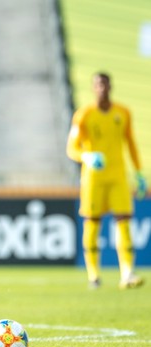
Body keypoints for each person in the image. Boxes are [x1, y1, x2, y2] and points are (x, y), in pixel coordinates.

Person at [66, 72, 146, 290]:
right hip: (93, 178)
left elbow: (131, 143)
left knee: (124, 221)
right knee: (92, 223)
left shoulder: (123, 113)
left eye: (105, 84)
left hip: (118, 175)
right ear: (93, 88)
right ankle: (93, 275)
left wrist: (139, 173)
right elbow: (71, 148)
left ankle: (127, 272)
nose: (101, 88)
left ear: (110, 86)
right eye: (98, 84)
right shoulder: (83, 115)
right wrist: (86, 156)